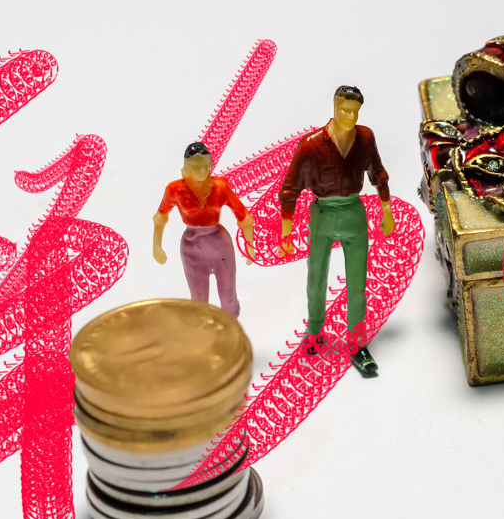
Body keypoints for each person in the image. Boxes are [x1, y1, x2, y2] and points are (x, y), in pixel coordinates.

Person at [278, 85, 394, 375]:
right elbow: (290, 188)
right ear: (334, 106)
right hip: (322, 214)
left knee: (357, 283)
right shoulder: (311, 145)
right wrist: (286, 232)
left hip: (353, 213)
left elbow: (378, 174)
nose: (350, 116)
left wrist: (387, 212)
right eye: (344, 110)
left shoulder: (365, 138)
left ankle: (357, 343)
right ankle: (314, 333)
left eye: (355, 111)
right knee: (316, 276)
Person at [153, 142, 255, 317]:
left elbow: (243, 216)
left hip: (219, 244)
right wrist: (157, 245)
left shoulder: (220, 186)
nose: (202, 170)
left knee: (228, 295)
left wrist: (249, 245)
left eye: (205, 165)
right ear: (187, 167)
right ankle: (202, 329)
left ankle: (231, 327)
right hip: (192, 247)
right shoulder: (174, 189)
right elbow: (160, 217)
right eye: (196, 166)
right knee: (198, 299)